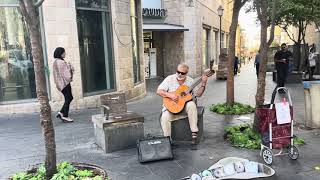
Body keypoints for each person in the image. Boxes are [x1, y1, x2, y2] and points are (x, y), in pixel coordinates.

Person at [157, 63, 208, 145]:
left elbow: (198, 94)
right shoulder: (169, 79)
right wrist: (170, 95)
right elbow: (159, 91)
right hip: (171, 109)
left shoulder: (190, 81)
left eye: (183, 73)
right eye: (178, 72)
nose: (180, 74)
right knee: (164, 117)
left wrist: (203, 83)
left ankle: (194, 133)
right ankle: (167, 141)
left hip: (185, 110)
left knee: (191, 104)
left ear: (186, 73)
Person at [53, 47, 74, 122]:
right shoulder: (62, 62)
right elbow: (67, 76)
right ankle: (65, 115)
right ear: (61, 53)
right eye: (64, 52)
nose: (65, 53)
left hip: (60, 84)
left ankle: (61, 113)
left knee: (69, 98)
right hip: (65, 84)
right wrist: (70, 68)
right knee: (69, 98)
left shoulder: (55, 62)